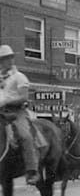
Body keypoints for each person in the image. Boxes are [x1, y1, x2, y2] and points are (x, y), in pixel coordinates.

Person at [0, 45, 39, 185]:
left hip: (17, 112)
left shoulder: (19, 77)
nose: (7, 62)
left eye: (9, 58)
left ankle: (32, 170)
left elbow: (23, 97)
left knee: (25, 135)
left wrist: (6, 101)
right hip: (1, 112)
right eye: (4, 59)